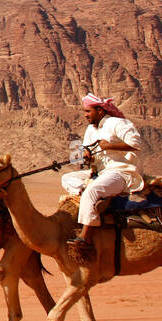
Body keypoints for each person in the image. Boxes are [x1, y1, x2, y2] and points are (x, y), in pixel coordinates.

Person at [60, 93, 146, 261]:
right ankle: (97, 200)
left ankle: (85, 236)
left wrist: (110, 146)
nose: (85, 115)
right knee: (67, 178)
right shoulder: (90, 130)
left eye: (88, 111)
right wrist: (87, 157)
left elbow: (136, 144)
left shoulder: (117, 123)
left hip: (121, 171)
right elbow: (89, 154)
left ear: (100, 111)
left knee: (92, 190)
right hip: (100, 172)